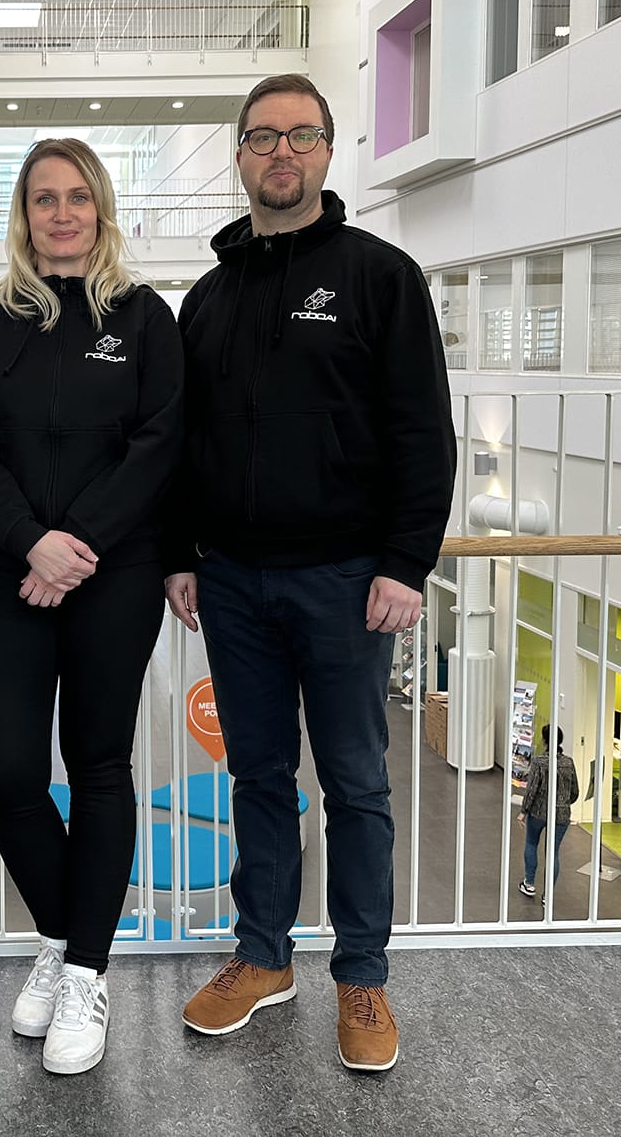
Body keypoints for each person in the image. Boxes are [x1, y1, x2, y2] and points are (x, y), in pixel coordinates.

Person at [161, 74, 455, 1072]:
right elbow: (180, 442)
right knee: (256, 777)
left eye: (301, 136)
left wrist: (406, 562)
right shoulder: (207, 298)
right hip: (234, 582)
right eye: (261, 138)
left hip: (343, 580)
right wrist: (179, 555)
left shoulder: (381, 276)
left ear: (329, 153)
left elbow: (423, 431)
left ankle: (361, 976)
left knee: (358, 782)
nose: (280, 153)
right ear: (239, 156)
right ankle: (263, 955)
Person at [0, 138, 183, 1076]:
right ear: (24, 214)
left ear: (101, 207)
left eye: (78, 197)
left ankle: (86, 970)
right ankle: (61, 936)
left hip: (112, 574)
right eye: (44, 199)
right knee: (5, 769)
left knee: (97, 766)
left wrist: (75, 544)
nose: (62, 213)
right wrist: (29, 542)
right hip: (10, 571)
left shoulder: (143, 317)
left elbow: (158, 445)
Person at [519, 725, 579, 899]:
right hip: (561, 815)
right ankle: (548, 896)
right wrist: (564, 803)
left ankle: (529, 883)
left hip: (538, 812)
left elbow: (531, 790)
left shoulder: (539, 762)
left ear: (545, 740)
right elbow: (575, 791)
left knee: (531, 843)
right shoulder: (568, 762)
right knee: (553, 852)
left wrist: (524, 811)